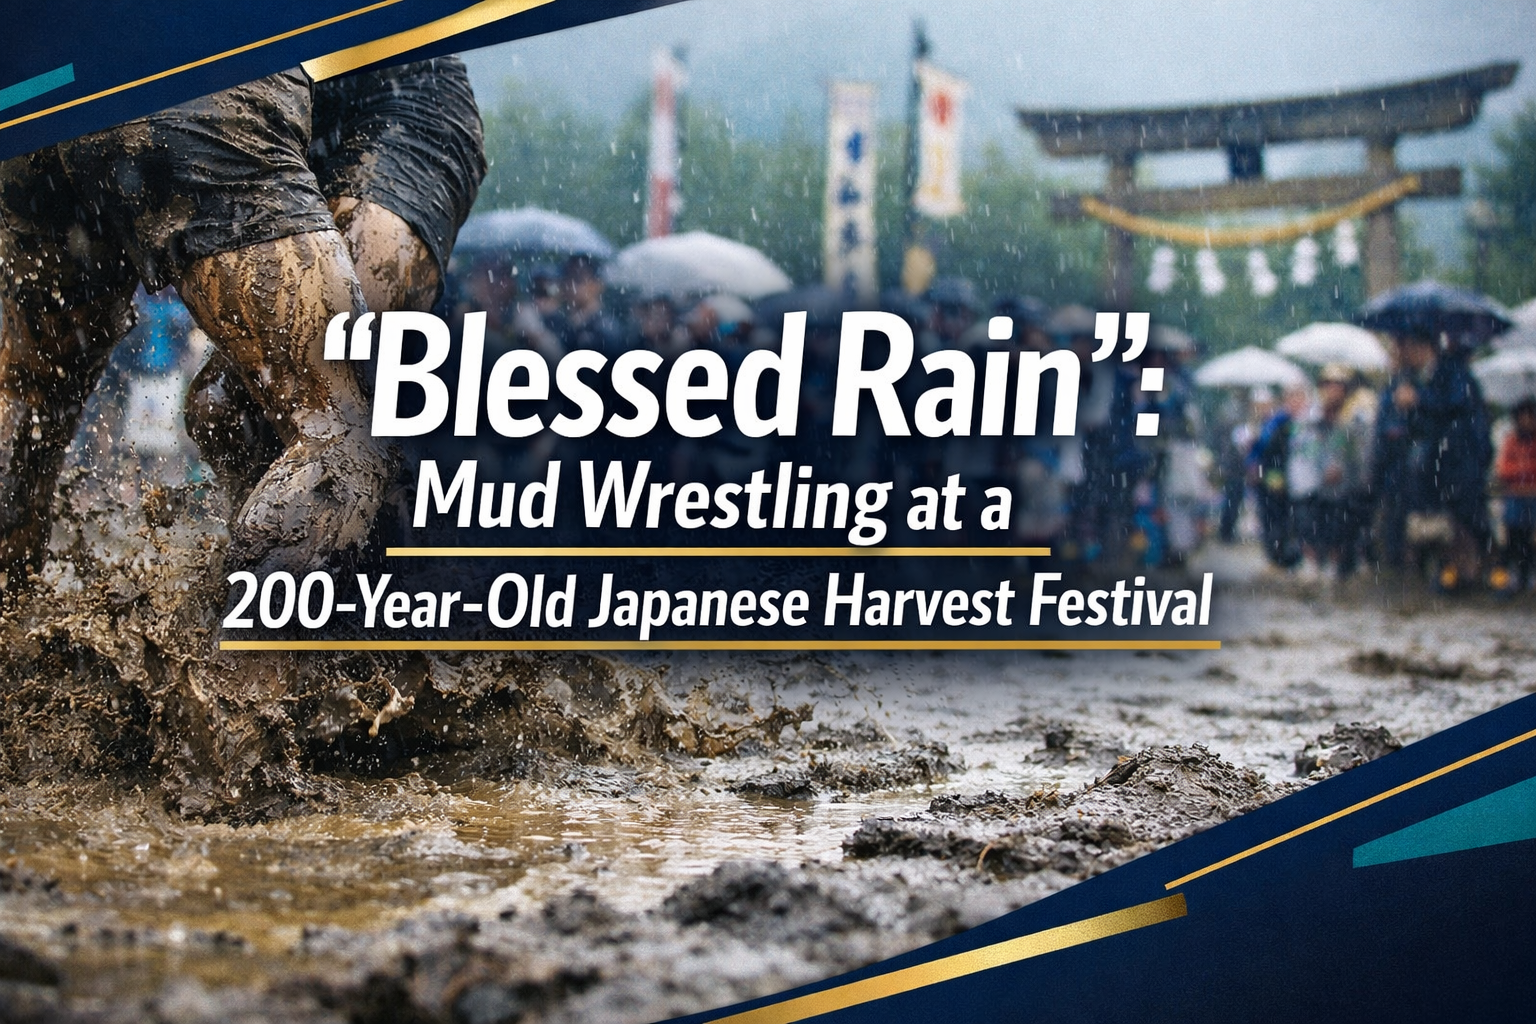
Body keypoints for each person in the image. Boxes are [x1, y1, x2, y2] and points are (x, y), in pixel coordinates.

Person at [1, 71, 388, 587]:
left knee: (26, 410)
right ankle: (247, 667)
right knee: (343, 425)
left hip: (37, 97)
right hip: (188, 76)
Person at [181, 58, 486, 518]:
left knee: (331, 387)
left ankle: (379, 527)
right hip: (242, 77)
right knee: (220, 410)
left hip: (396, 85)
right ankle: (304, 546)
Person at [1288, 365, 1371, 578]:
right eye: (1330, 386)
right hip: (1310, 485)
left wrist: (1343, 470)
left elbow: (1357, 455)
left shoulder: (1352, 421)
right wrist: (1319, 470)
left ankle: (1335, 565)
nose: (1334, 392)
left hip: (1341, 488)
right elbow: (1300, 451)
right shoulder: (1307, 419)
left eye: (1339, 387)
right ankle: (1310, 562)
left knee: (1338, 526)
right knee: (1308, 522)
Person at [1492, 398, 1536, 591]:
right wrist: (1524, 469)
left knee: (1530, 537)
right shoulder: (1511, 441)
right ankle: (1514, 574)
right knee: (1514, 536)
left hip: (1532, 497)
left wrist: (1523, 470)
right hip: (1515, 497)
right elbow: (1503, 470)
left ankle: (1529, 573)